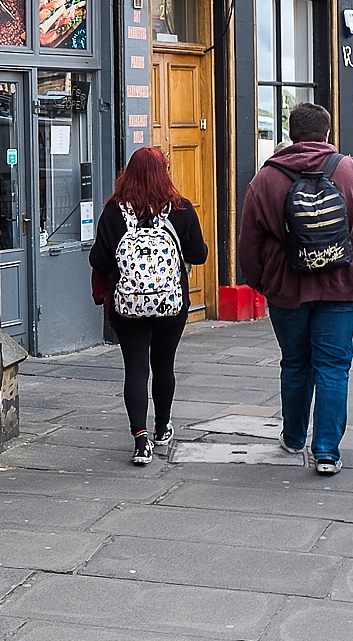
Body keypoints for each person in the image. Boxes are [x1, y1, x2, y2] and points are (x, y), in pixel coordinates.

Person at [238, 103, 353, 475]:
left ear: (291, 135)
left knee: (295, 364)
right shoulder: (349, 168)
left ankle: (292, 437)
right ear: (327, 135)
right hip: (342, 285)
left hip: (287, 288)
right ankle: (326, 453)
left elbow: (249, 244)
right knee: (333, 367)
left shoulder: (266, 179)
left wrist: (264, 283)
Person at [89, 147, 208, 465]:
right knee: (164, 365)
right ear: (165, 172)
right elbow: (199, 254)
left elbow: (98, 259)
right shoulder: (181, 209)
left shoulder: (115, 211)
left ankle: (141, 440)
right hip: (171, 303)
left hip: (126, 304)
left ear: (128, 172)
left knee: (136, 368)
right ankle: (162, 427)